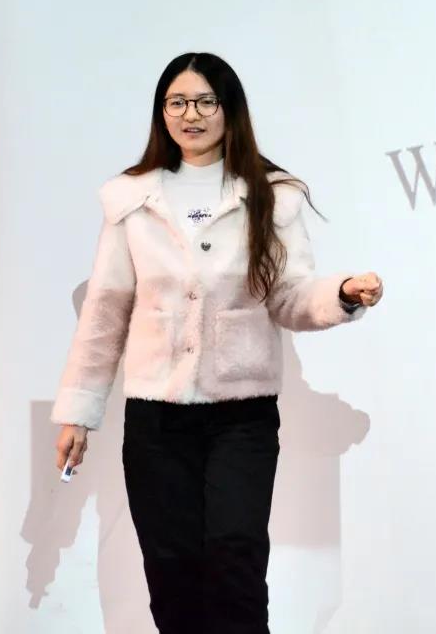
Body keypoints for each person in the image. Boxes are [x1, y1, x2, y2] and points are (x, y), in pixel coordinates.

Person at [50, 52, 382, 634]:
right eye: (177, 102)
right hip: (156, 420)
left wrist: (342, 294)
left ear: (230, 110)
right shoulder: (132, 199)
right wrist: (79, 412)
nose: (191, 114)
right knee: (172, 571)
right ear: (162, 113)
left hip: (241, 418)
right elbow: (106, 312)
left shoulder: (270, 195)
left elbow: (290, 297)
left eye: (206, 101)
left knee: (236, 560)